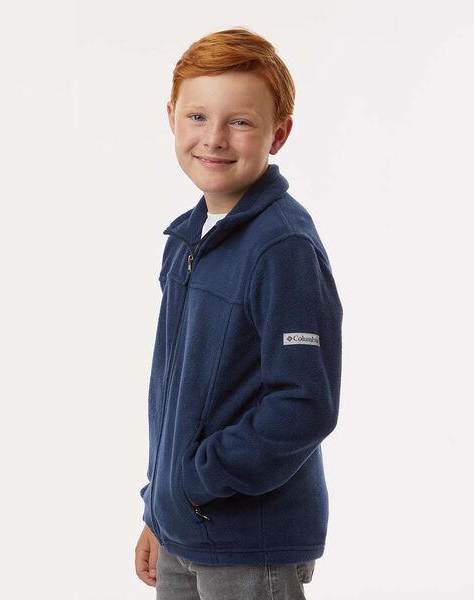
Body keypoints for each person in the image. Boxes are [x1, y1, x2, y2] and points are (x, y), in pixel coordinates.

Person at [134, 27, 343, 599]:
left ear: (280, 133)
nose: (215, 139)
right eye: (198, 117)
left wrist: (195, 483)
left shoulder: (283, 247)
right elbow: (174, 392)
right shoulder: (188, 238)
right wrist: (159, 505)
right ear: (172, 118)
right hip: (183, 528)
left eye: (241, 122)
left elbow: (303, 404)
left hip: (250, 541)